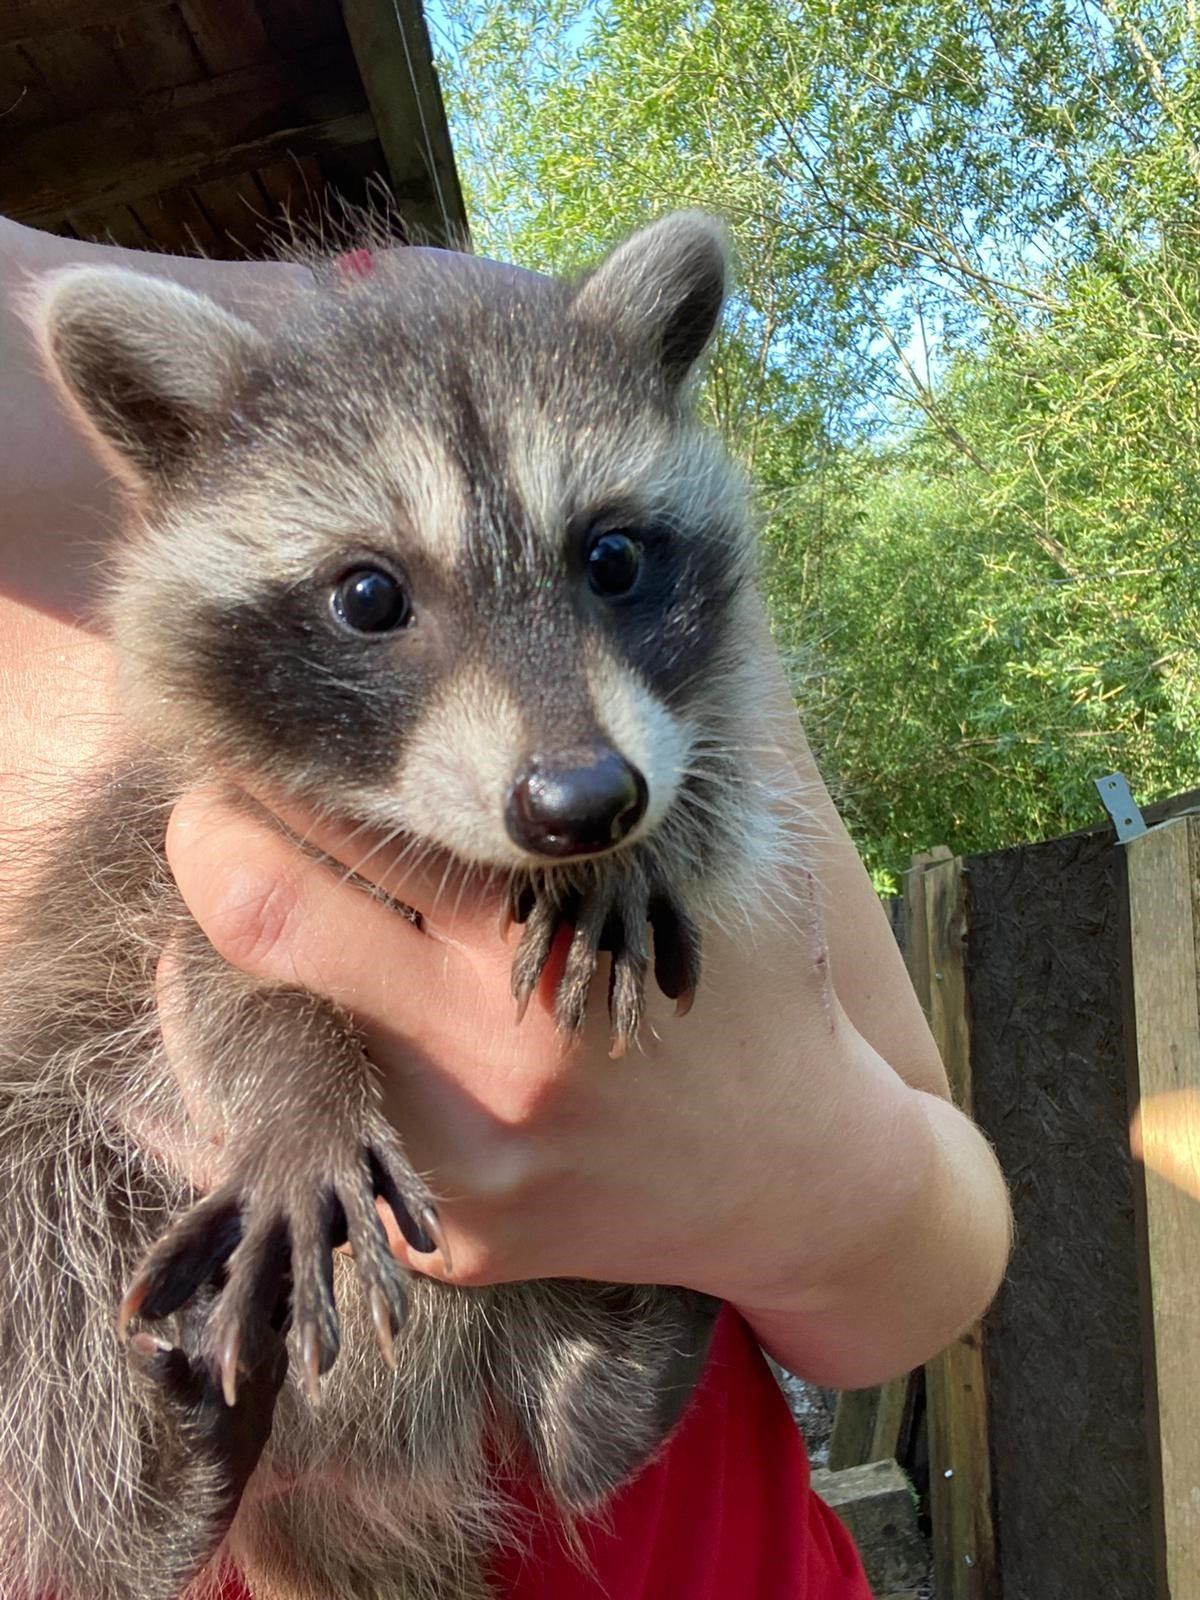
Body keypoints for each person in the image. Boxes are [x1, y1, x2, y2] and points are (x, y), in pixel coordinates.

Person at [0, 213, 1011, 1598]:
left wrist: (771, 1164)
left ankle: (565, 1366)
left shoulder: (478, 315)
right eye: (372, 600)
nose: (573, 764)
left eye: (612, 572)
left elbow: (935, 1261)